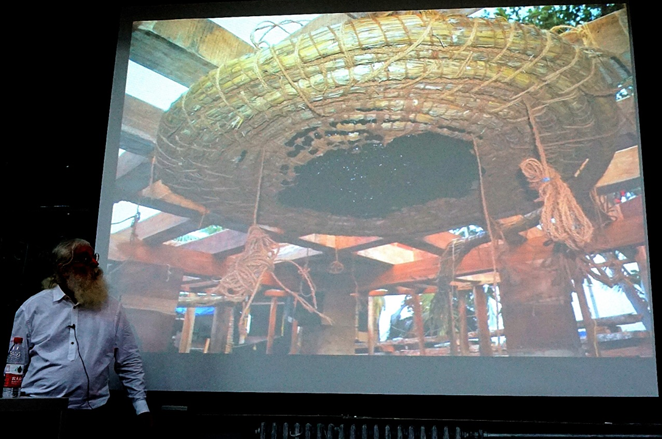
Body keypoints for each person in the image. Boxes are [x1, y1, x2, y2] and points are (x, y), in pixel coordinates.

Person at [8, 238, 151, 435]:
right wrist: (11, 406)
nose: (95, 263)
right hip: (39, 411)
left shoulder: (112, 308)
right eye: (85, 259)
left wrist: (141, 407)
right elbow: (15, 362)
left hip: (92, 413)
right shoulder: (33, 307)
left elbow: (129, 360)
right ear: (64, 269)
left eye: (94, 257)